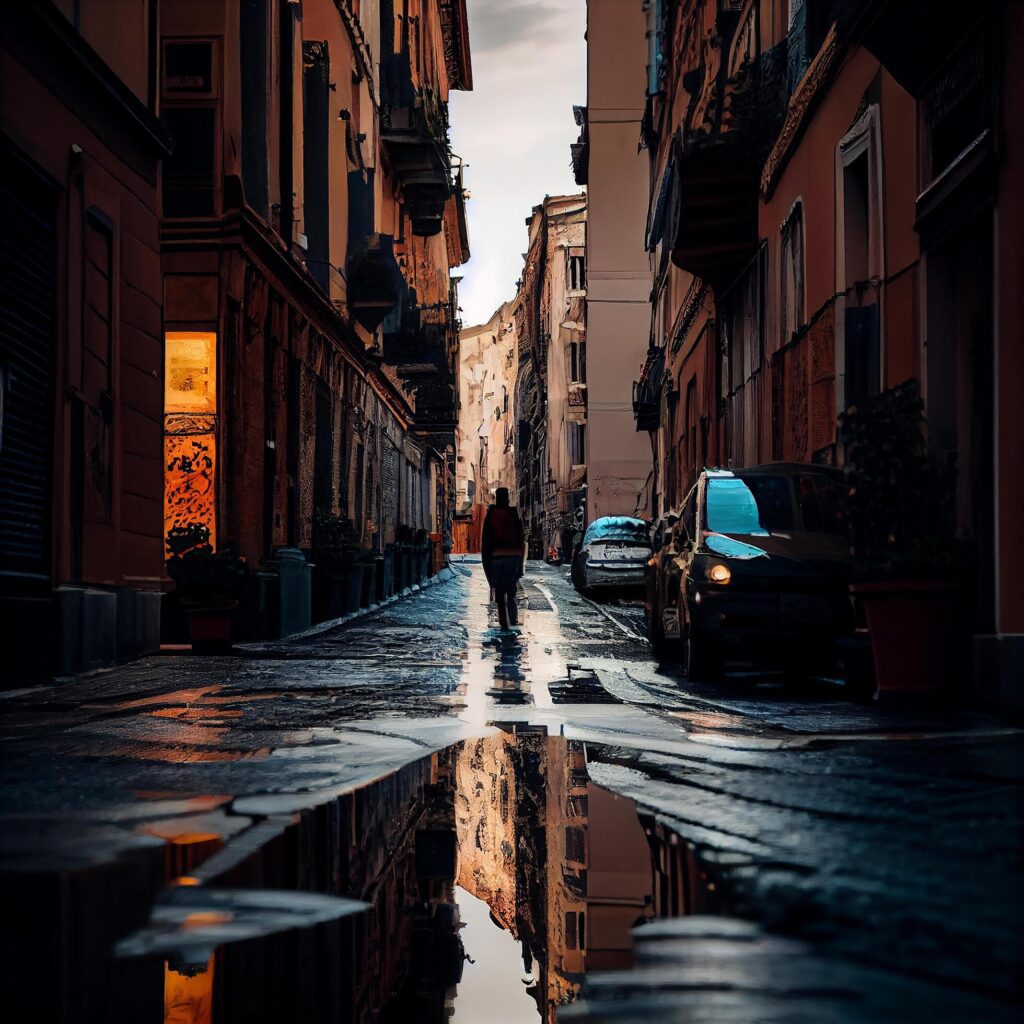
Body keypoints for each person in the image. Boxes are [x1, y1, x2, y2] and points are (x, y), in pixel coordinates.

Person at [481, 487, 525, 630]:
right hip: (513, 558)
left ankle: (504, 625)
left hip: (497, 559)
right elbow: (521, 539)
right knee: (511, 592)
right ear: (507, 499)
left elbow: (486, 542)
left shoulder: (491, 515)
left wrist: (487, 568)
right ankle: (513, 620)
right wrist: (520, 563)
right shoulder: (513, 514)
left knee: (500, 594)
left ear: (496, 498)